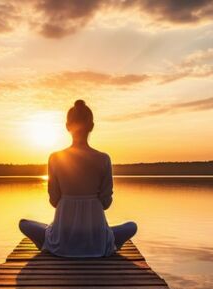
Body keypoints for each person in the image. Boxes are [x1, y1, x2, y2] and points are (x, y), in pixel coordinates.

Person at [19, 99, 137, 257]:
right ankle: (109, 239)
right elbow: (106, 203)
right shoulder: (104, 159)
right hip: (96, 241)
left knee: (24, 224)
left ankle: (50, 238)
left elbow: (54, 201)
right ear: (92, 126)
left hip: (63, 240)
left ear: (67, 126)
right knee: (131, 226)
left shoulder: (55, 158)